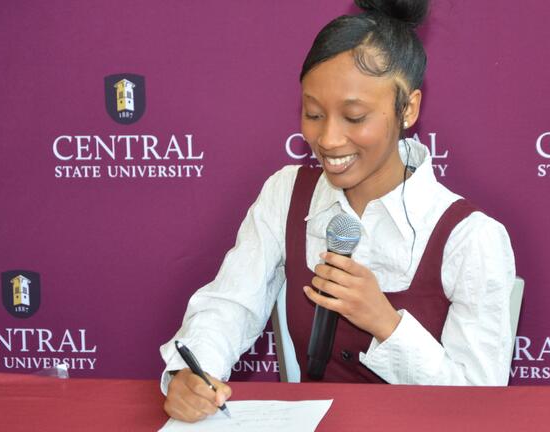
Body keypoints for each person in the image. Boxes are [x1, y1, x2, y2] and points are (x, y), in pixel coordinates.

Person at [160, 0, 515, 422]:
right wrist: (193, 371)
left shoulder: (471, 236)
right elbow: (232, 302)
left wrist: (385, 322)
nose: (327, 139)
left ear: (409, 108)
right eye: (313, 114)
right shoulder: (285, 193)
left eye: (354, 116)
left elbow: (480, 404)